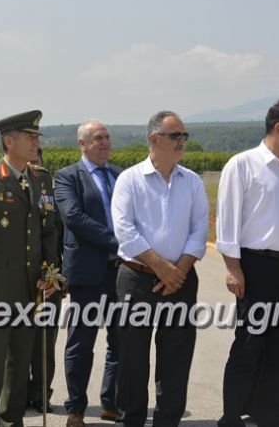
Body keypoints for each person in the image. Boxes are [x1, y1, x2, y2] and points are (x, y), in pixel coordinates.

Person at [216, 97, 279, 427]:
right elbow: (227, 225)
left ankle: (269, 418)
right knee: (249, 347)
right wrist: (233, 269)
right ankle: (231, 418)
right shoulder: (242, 165)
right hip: (257, 269)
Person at [111, 110, 208, 427]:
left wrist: (178, 269)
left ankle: (168, 421)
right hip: (137, 280)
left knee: (176, 360)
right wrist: (160, 266)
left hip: (181, 281)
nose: (182, 141)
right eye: (175, 135)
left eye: (184, 135)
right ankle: (133, 421)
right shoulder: (129, 180)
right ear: (154, 139)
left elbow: (199, 230)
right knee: (133, 360)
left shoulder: (192, 181)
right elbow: (125, 230)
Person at [0, 110, 58, 427]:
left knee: (21, 359)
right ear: (9, 141)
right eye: (30, 137)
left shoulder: (41, 179)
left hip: (31, 286)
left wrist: (51, 273)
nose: (36, 142)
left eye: (37, 137)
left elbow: (49, 231)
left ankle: (11, 419)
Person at [54, 120, 122, 427]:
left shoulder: (120, 175)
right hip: (87, 274)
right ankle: (76, 408)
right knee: (81, 344)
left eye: (107, 137)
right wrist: (117, 242)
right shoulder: (67, 177)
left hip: (122, 272)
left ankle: (111, 403)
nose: (105, 142)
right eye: (98, 138)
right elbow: (73, 217)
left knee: (121, 341)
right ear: (82, 144)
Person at [27, 146, 64, 415]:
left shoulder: (51, 195)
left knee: (44, 342)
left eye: (37, 162)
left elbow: (60, 238)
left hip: (48, 278)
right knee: (17, 340)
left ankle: (41, 394)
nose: (33, 168)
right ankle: (16, 392)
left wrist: (58, 276)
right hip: (17, 278)